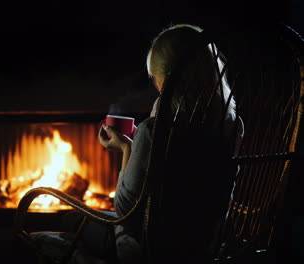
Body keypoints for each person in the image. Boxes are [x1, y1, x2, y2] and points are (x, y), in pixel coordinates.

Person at [95, 24, 243, 263]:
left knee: (66, 224)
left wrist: (126, 148)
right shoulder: (232, 126)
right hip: (205, 248)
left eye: (154, 77)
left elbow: (124, 210)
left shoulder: (154, 131)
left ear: (166, 78)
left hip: (149, 250)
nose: (154, 83)